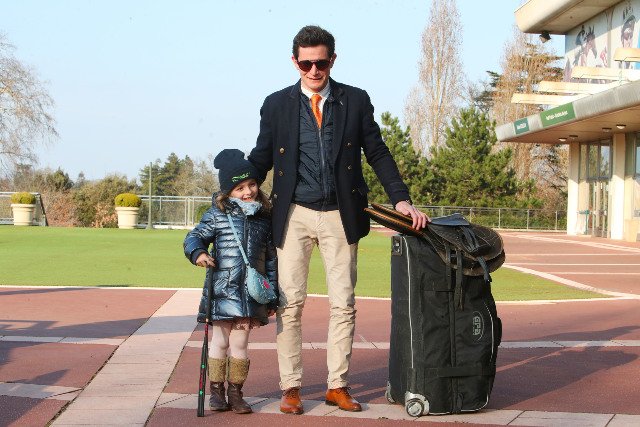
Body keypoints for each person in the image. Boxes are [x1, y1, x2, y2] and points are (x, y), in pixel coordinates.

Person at [248, 25, 429, 415]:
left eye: (321, 62)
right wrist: (233, 192)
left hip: (341, 215)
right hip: (293, 214)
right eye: (306, 64)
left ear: (333, 59)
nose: (314, 70)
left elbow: (377, 152)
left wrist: (401, 199)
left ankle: (337, 385)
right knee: (290, 303)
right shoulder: (276, 104)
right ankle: (291, 387)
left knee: (343, 303)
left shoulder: (356, 100)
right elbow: (261, 157)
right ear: (294, 62)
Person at [183, 148, 278, 414]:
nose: (248, 192)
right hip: (222, 289)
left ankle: (236, 393)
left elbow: (271, 260)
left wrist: (273, 295)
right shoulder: (217, 214)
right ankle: (216, 392)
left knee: (240, 344)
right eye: (240, 188)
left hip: (250, 294)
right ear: (228, 192)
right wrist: (198, 253)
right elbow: (194, 237)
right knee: (220, 341)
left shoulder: (264, 218)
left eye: (252, 185)